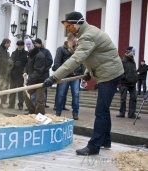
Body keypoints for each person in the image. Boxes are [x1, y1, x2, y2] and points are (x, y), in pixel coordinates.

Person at [43, 11, 124, 156]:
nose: (68, 28)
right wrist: (88, 73)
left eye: (69, 25)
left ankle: (94, 146)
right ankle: (105, 140)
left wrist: (54, 77)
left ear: (77, 23)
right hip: (108, 71)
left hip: (110, 74)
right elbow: (95, 56)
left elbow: (76, 60)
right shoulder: (88, 33)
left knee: (101, 111)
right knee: (104, 110)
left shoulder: (87, 36)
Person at [52, 33, 83, 119]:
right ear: (71, 39)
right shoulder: (61, 49)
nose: (77, 41)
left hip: (75, 76)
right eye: (75, 39)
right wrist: (59, 74)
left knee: (76, 94)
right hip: (64, 76)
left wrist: (83, 75)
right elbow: (57, 63)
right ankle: (58, 113)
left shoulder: (78, 50)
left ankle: (75, 113)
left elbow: (82, 62)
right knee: (61, 94)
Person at [24, 43, 48, 114]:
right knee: (25, 94)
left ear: (33, 46)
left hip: (40, 81)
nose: (28, 47)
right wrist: (25, 72)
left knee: (39, 99)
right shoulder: (30, 54)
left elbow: (38, 71)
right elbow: (27, 65)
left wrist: (29, 80)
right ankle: (31, 112)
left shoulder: (40, 56)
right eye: (27, 45)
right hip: (31, 79)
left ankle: (39, 115)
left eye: (29, 45)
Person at [117, 47, 139, 119]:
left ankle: (131, 114)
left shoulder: (133, 61)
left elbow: (134, 71)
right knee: (123, 99)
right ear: (128, 52)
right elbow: (119, 71)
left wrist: (136, 78)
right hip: (124, 83)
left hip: (133, 83)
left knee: (134, 98)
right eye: (132, 52)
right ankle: (122, 113)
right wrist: (124, 77)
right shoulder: (123, 61)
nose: (133, 54)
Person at [33, 38, 53, 108]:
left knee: (43, 89)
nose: (35, 45)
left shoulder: (46, 51)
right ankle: (34, 104)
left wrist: (43, 69)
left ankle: (42, 104)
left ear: (40, 44)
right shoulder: (33, 51)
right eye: (34, 43)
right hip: (35, 74)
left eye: (36, 43)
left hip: (43, 74)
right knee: (34, 89)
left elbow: (50, 61)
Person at [8, 40, 28, 110]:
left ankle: (20, 105)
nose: (19, 47)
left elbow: (27, 64)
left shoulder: (26, 53)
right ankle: (11, 104)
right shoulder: (13, 53)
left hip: (21, 74)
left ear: (23, 46)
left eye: (20, 45)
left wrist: (25, 71)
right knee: (12, 89)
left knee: (20, 90)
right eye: (18, 45)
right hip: (13, 73)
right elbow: (10, 62)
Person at [0, 38, 12, 107]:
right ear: (5, 43)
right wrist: (7, 61)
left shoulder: (6, 52)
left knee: (3, 88)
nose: (10, 45)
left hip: (4, 73)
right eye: (9, 43)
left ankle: (1, 103)